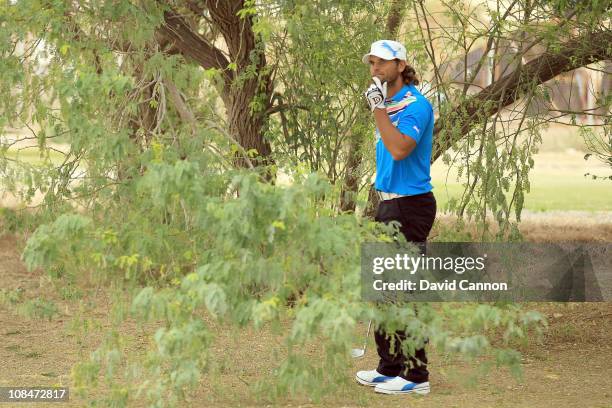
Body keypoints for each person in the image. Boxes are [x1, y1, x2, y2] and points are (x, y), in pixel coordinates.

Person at [355, 40, 436, 395]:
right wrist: (380, 107)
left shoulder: (417, 105)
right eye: (372, 63)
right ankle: (389, 366)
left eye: (382, 63)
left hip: (412, 205)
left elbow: (401, 149)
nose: (375, 69)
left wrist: (377, 110)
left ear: (401, 65)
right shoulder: (387, 103)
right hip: (388, 204)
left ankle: (416, 376)